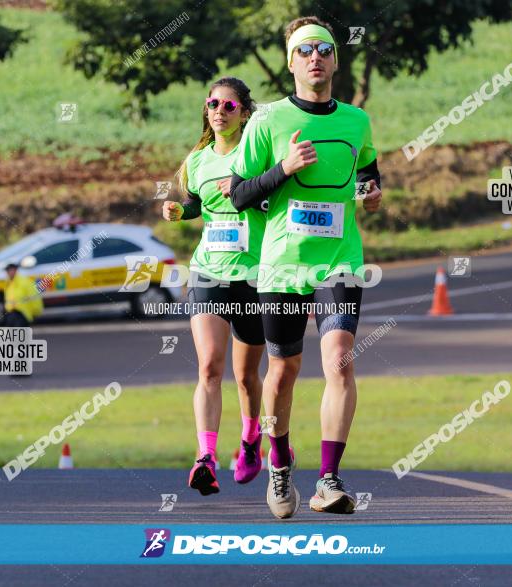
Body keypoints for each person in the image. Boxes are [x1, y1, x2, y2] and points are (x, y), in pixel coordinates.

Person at [229, 16, 383, 519]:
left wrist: (371, 191)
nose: (315, 57)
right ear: (291, 62)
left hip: (340, 260)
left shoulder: (356, 121)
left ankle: (328, 479)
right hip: (283, 266)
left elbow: (365, 167)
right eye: (304, 50)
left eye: (324, 48)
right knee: (283, 370)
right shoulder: (267, 121)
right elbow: (239, 196)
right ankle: (278, 464)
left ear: (335, 59)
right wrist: (284, 170)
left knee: (340, 357)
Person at [162, 77, 269, 496]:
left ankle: (250, 440)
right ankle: (204, 457)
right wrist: (179, 210)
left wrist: (248, 189)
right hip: (208, 272)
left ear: (244, 112)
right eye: (212, 104)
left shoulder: (259, 154)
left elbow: (276, 198)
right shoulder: (197, 160)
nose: (219, 112)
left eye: (228, 106)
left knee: (246, 377)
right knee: (209, 367)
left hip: (256, 277)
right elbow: (198, 204)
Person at [4, 263, 44, 328]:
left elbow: (34, 297)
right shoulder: (9, 283)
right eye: (8, 271)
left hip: (22, 314)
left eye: (11, 270)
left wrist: (36, 311)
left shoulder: (24, 282)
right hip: (11, 313)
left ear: (16, 270)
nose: (9, 272)